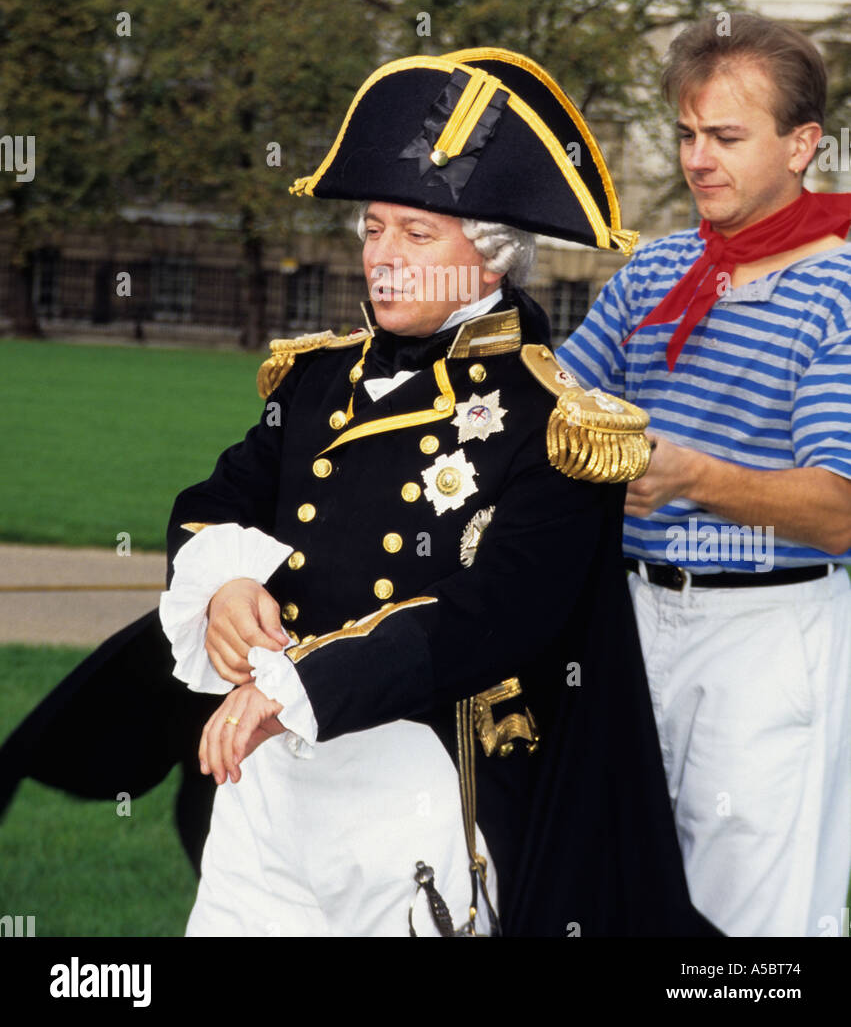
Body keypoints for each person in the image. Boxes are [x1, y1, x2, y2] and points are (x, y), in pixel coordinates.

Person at [0, 48, 718, 938]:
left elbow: (497, 614)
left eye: (417, 236)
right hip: (268, 776)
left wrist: (299, 686)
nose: (383, 257)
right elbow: (214, 500)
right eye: (373, 229)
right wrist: (225, 586)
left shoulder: (556, 421)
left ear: (489, 259)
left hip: (421, 782)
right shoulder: (315, 379)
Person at [556, 13, 851, 938]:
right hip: (630, 616)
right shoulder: (662, 266)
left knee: (746, 932)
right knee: (618, 894)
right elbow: (558, 400)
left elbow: (839, 513)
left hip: (769, 632)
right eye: (686, 135)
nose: (696, 159)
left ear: (802, 144)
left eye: (725, 136)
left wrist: (687, 475)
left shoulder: (838, 286)